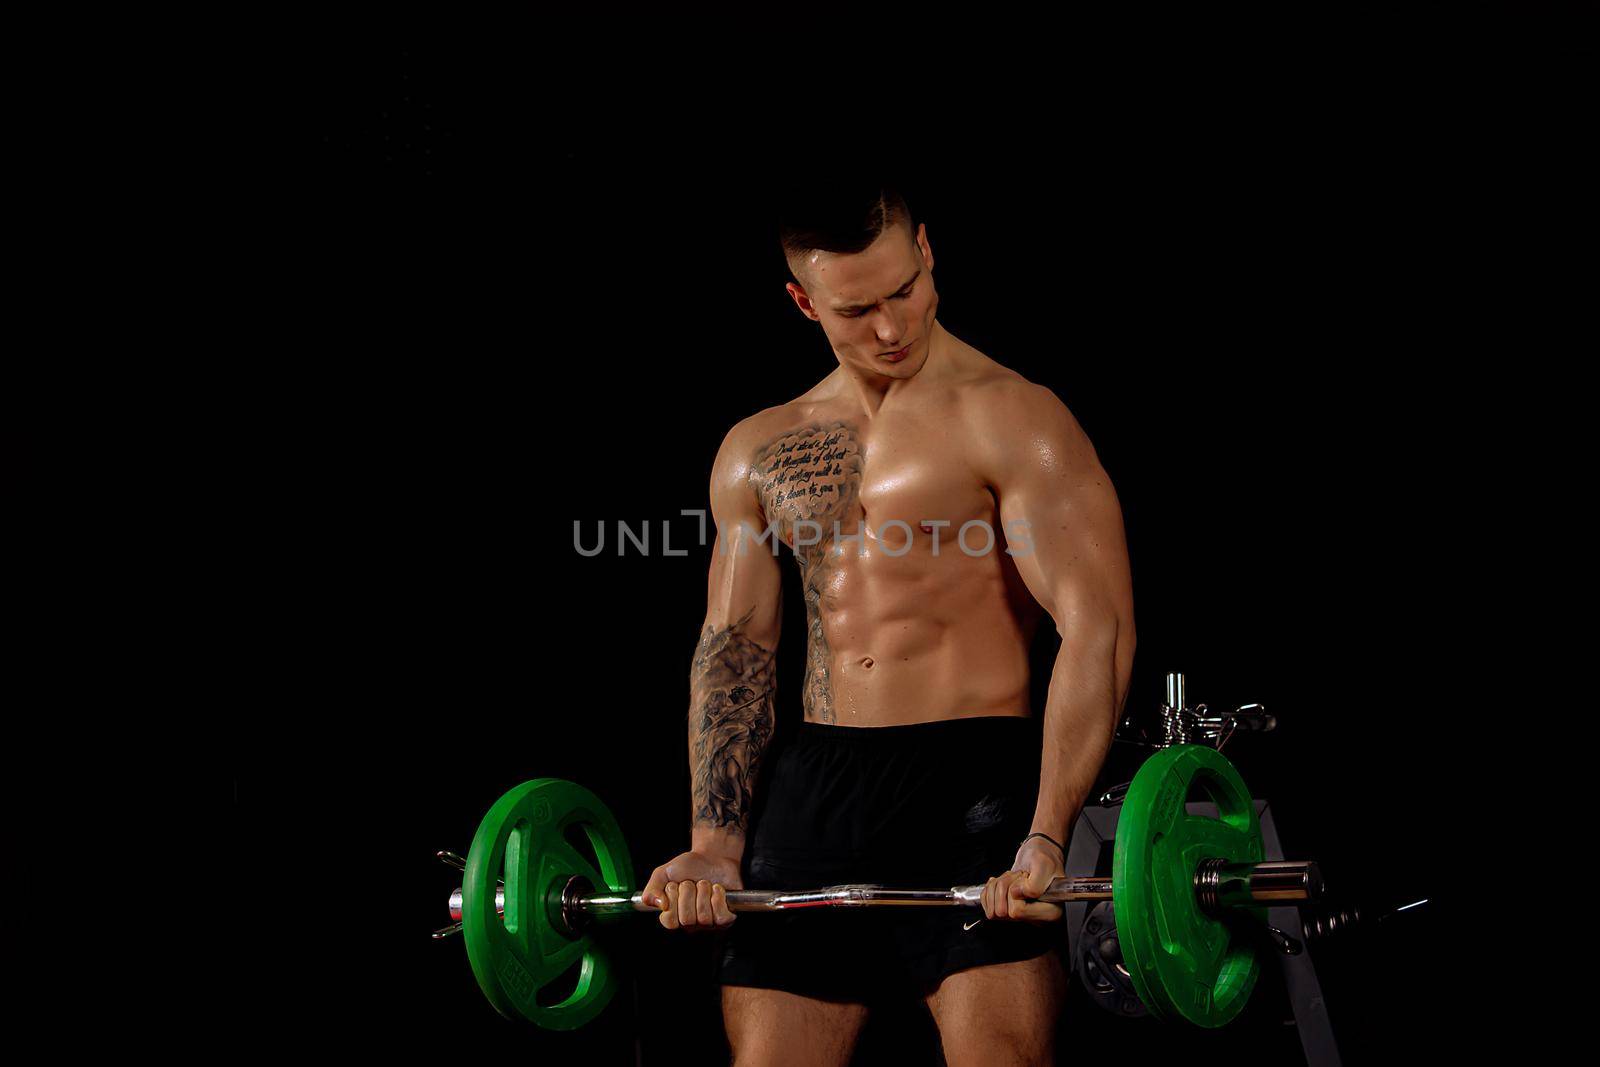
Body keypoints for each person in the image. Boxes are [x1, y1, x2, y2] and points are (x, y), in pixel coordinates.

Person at [640, 180, 1135, 1065]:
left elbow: (1095, 627)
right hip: (815, 782)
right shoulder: (761, 447)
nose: (891, 327)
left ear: (928, 252)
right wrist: (715, 845)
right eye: (857, 308)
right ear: (802, 301)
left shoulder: (1015, 417)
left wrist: (1050, 828)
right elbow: (736, 646)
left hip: (976, 783)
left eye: (904, 289)